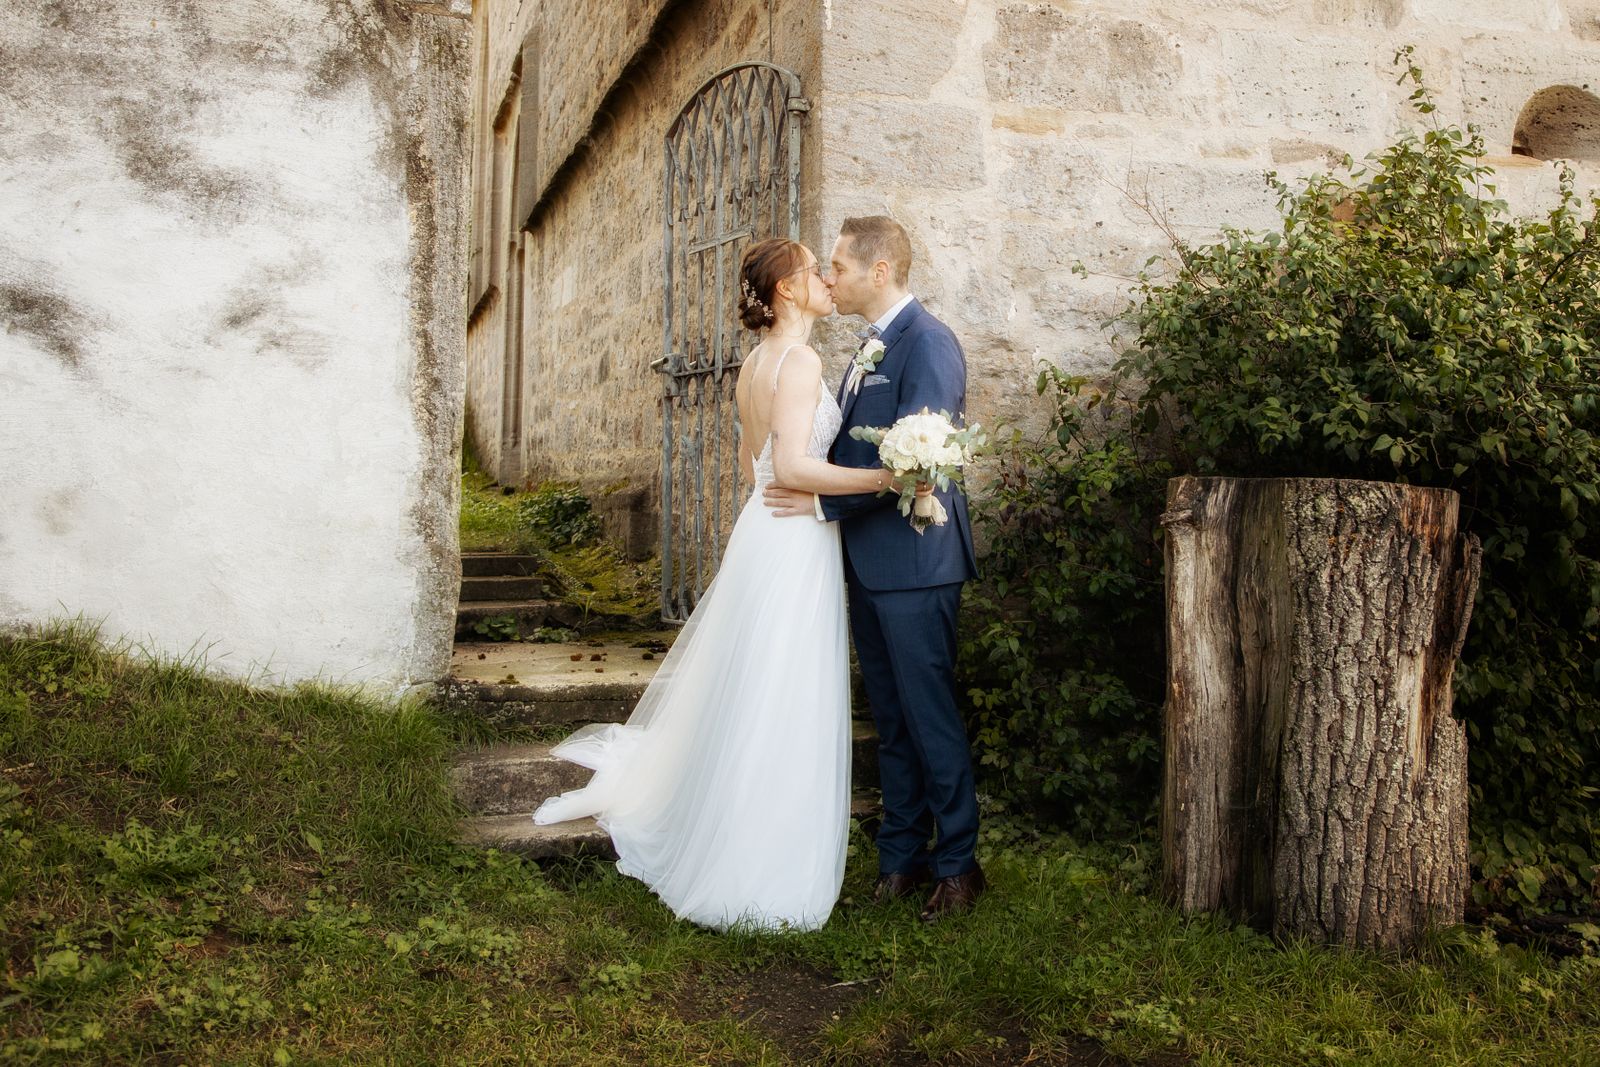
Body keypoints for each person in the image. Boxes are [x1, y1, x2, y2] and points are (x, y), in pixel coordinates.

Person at [532, 238, 892, 932]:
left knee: (757, 688)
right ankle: (758, 864)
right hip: (791, 536)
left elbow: (754, 468)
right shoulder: (800, 359)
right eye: (813, 269)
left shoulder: (753, 364)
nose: (825, 278)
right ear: (785, 290)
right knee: (780, 693)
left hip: (765, 529)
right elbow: (788, 466)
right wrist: (886, 478)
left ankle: (736, 829)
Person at [764, 216, 984, 923]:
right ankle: (901, 856)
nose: (829, 278)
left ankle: (958, 865)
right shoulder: (871, 345)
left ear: (880, 270)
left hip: (916, 566)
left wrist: (820, 507)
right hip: (871, 565)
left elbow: (922, 466)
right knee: (890, 719)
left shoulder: (929, 343)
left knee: (930, 717)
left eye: (839, 266)